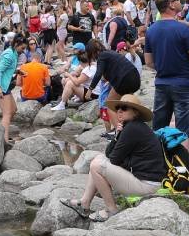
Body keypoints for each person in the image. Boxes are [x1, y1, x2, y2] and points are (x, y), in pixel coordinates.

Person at [62, 94, 165, 222]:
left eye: (124, 108)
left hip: (147, 186)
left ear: (136, 112)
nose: (119, 111)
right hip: (144, 180)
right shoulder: (132, 126)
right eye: (118, 108)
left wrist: (119, 136)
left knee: (96, 165)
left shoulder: (132, 129)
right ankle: (84, 203)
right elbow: (108, 154)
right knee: (99, 159)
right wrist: (117, 135)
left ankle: (111, 210)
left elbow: (114, 158)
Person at [145, 0, 189, 139]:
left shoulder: (151, 30)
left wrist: (164, 67)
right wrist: (185, 67)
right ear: (171, 5)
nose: (180, 1)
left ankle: (161, 159)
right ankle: (182, 162)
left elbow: (149, 62)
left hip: (162, 83)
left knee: (159, 129)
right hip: (184, 83)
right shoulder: (183, 28)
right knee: (183, 132)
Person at [0, 36, 21, 147]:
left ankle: (3, 132)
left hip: (5, 85)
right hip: (0, 86)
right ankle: (4, 142)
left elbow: (9, 68)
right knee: (7, 114)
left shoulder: (14, 53)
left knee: (13, 110)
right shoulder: (9, 54)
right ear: (16, 44)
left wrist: (18, 71)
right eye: (22, 48)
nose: (23, 50)